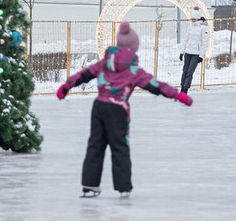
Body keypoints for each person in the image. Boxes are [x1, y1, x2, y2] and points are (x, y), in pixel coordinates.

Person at [56, 21, 191, 198]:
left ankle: (89, 185)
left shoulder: (105, 63)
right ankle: (123, 186)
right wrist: (177, 95)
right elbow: (155, 85)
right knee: (119, 147)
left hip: (99, 107)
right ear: (134, 48)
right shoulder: (133, 69)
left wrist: (66, 86)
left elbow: (84, 74)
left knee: (95, 145)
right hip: (117, 109)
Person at [180, 14, 209, 93]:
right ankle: (182, 87)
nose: (192, 20)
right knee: (185, 71)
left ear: (197, 18)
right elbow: (186, 39)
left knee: (190, 72)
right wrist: (182, 52)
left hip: (196, 54)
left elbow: (204, 43)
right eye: (191, 19)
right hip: (188, 52)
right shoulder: (191, 27)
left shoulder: (204, 28)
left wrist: (201, 55)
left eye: (194, 19)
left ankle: (185, 89)